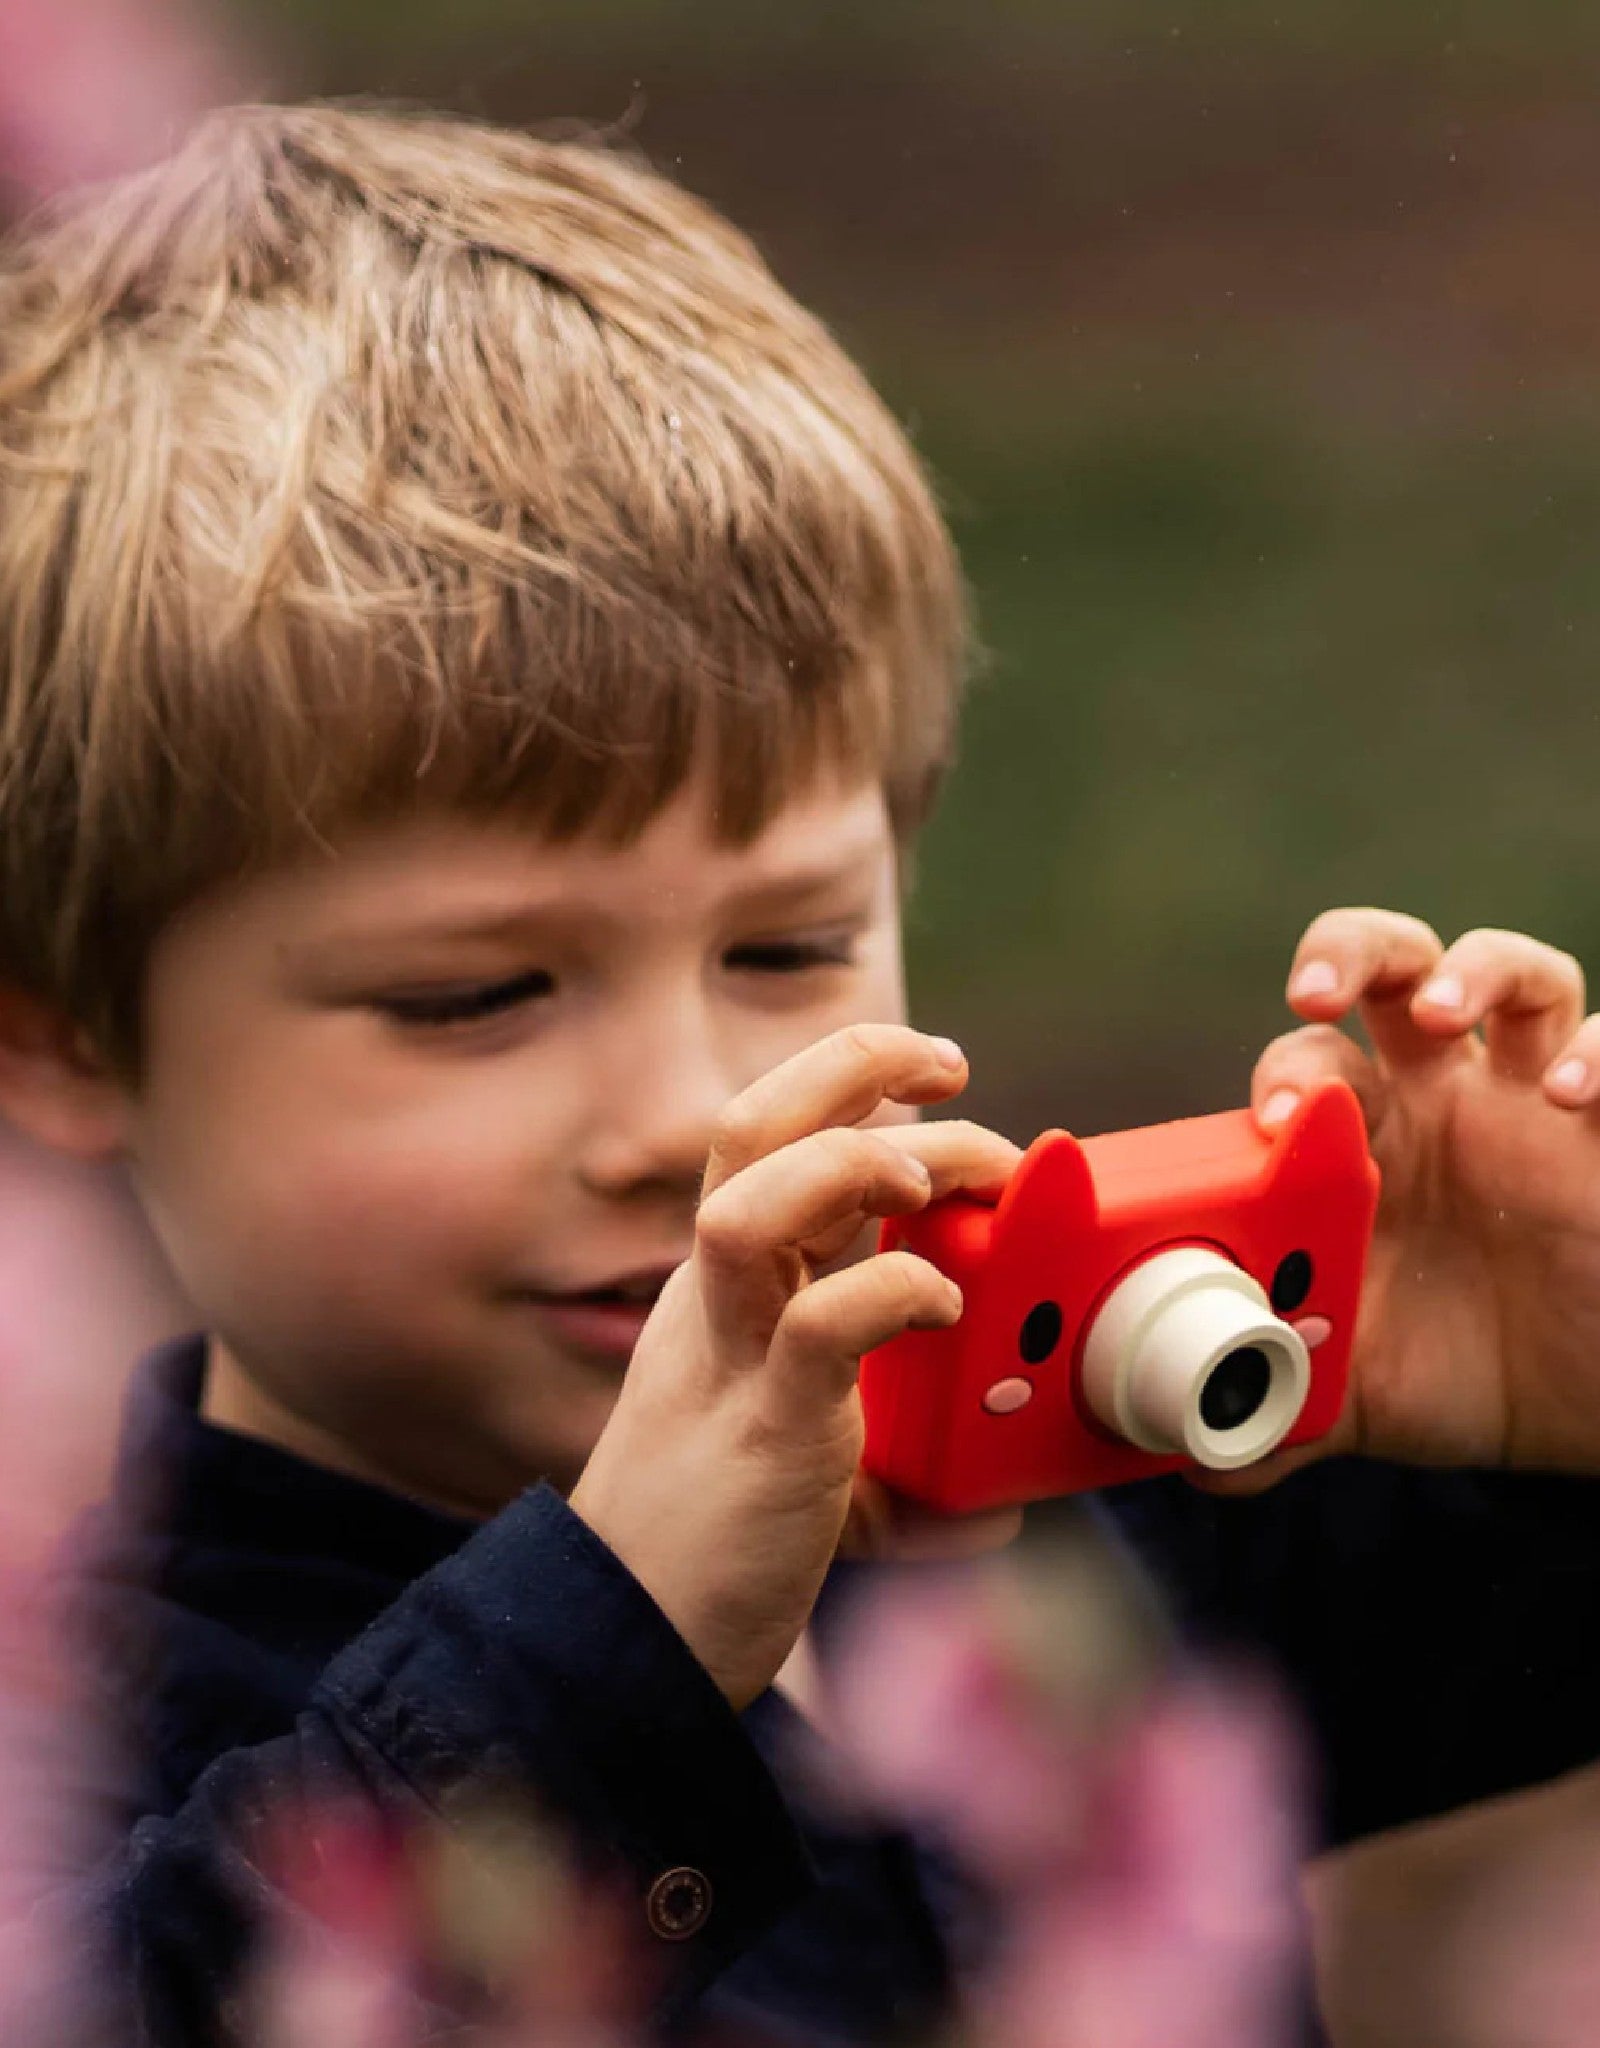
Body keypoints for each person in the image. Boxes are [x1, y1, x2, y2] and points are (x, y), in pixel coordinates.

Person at [1, 101, 1599, 2044]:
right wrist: (618, 1653)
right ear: (61, 1029)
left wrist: (1555, 1386)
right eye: (477, 992)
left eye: (785, 947)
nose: (688, 1107)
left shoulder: (1044, 1484)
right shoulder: (73, 1744)